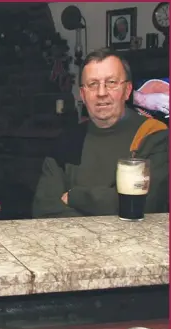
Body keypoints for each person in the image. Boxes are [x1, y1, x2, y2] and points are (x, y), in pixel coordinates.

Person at [32, 48, 168, 218]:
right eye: (93, 84)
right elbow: (43, 209)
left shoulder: (153, 135)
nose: (101, 93)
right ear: (82, 94)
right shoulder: (67, 141)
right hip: (73, 243)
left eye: (111, 82)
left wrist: (75, 196)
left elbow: (146, 205)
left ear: (127, 90)